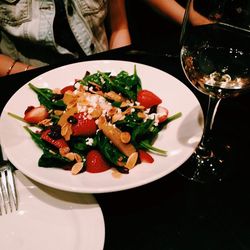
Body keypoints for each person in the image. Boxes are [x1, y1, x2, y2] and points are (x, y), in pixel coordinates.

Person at [0, 0, 131, 77]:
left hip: (101, 72)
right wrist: (39, 77)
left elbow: (119, 28)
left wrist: (119, 72)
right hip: (32, 79)